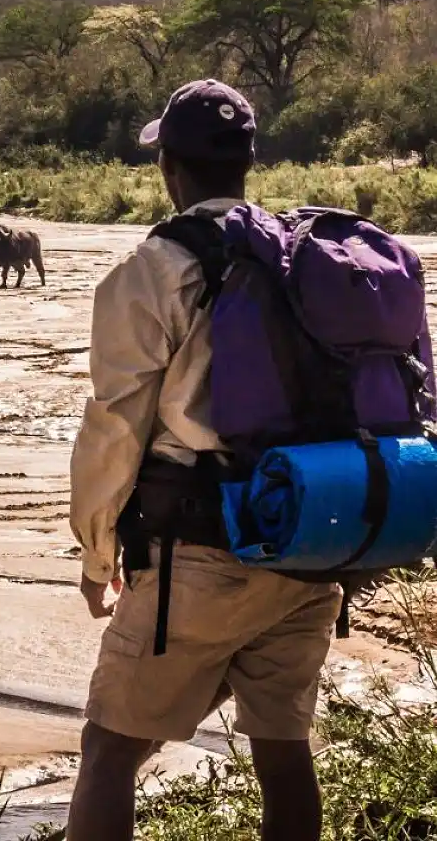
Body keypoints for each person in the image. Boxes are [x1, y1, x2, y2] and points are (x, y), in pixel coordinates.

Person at [64, 80, 341, 841]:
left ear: (169, 168)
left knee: (109, 750)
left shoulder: (153, 270)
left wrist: (96, 555)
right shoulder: (297, 253)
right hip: (310, 541)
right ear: (248, 162)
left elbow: (115, 428)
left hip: (202, 554)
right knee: (282, 751)